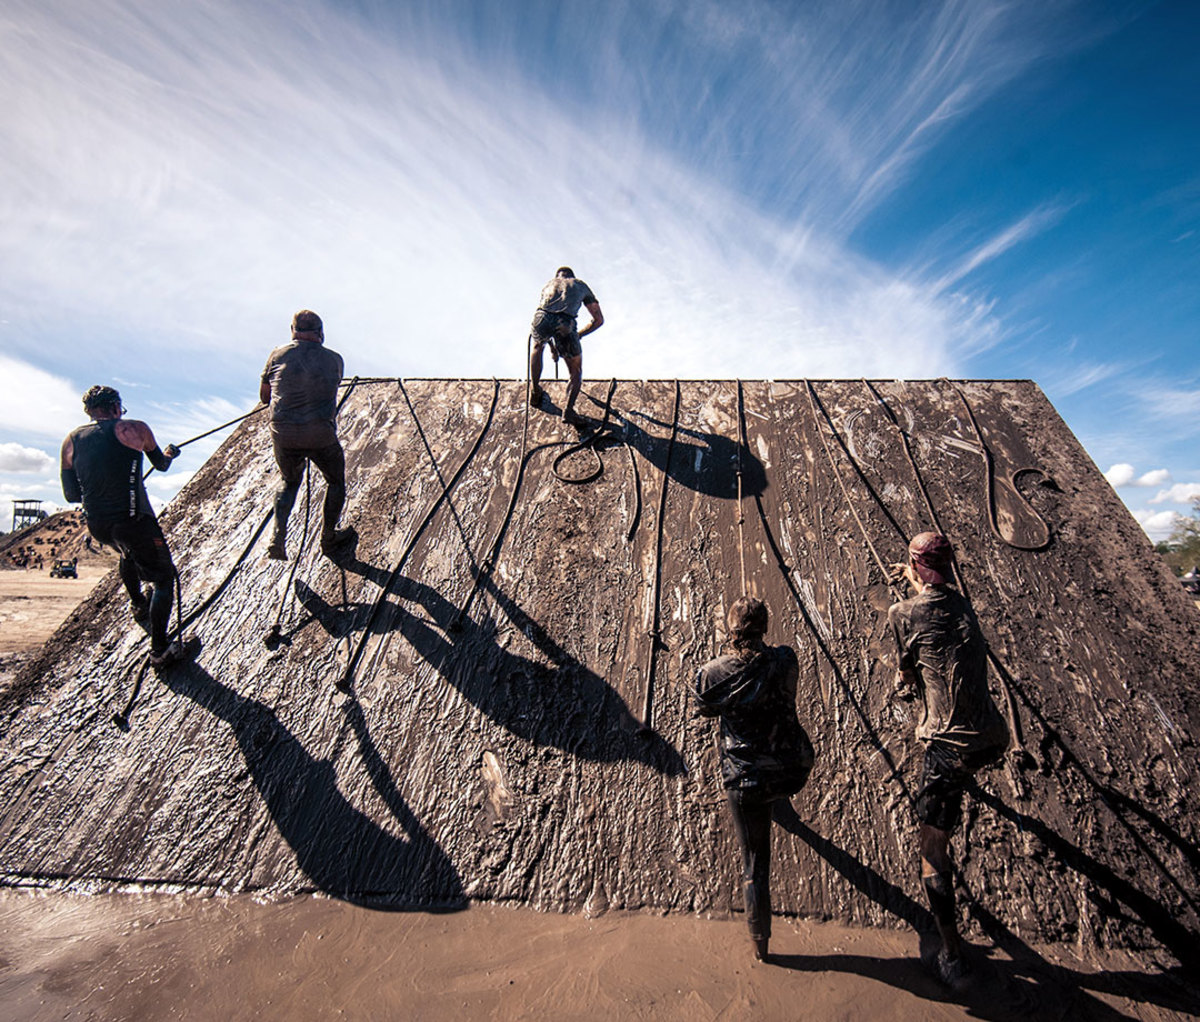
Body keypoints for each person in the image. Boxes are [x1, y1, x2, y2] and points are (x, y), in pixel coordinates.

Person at [887, 532, 1010, 990]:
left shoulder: (902, 614)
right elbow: (938, 608)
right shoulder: (964, 606)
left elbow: (907, 671)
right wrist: (916, 578)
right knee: (965, 767)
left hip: (950, 744)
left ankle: (951, 954)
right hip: (993, 734)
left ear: (917, 567)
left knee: (933, 848)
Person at [694, 597, 815, 962]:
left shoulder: (714, 673)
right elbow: (777, 667)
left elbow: (703, 707)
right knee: (771, 795)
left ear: (730, 632)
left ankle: (760, 947)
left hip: (746, 777)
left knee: (755, 862)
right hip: (790, 768)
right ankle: (778, 800)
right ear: (765, 628)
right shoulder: (786, 659)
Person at [60, 385, 183, 669]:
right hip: (134, 520)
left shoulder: (71, 440)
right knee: (164, 579)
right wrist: (169, 454)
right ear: (116, 406)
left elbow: (71, 495)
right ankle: (160, 650)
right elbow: (161, 464)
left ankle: (138, 604)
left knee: (127, 555)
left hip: (98, 524)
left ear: (90, 412)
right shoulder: (135, 429)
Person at [259, 309, 354, 560]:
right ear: (321, 333)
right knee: (335, 481)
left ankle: (277, 537)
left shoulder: (277, 355)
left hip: (284, 433)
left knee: (289, 481)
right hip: (320, 434)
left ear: (293, 331)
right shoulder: (335, 360)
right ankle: (328, 537)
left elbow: (264, 397)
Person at [528, 267, 603, 426]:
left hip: (541, 317)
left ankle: (535, 391)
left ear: (557, 276)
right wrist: (579, 335)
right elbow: (598, 320)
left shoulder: (548, 285)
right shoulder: (579, 285)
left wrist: (552, 348)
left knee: (536, 347)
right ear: (572, 276)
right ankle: (568, 411)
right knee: (576, 371)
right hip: (566, 322)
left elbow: (548, 321)